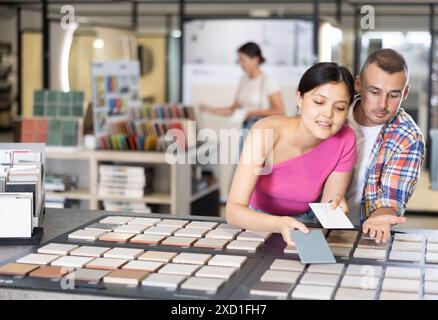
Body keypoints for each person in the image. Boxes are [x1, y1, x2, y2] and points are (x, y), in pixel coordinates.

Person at [225, 62, 357, 246]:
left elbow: (328, 206)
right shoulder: (266, 131)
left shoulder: (346, 139)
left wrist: (335, 207)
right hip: (257, 220)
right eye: (319, 102)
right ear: (300, 99)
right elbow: (233, 211)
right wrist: (279, 224)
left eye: (340, 108)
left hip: (307, 223)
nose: (328, 114)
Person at [346, 48, 426, 244]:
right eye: (374, 92)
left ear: (405, 93)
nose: (382, 104)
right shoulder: (331, 116)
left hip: (363, 233)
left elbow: (391, 198)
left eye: (393, 95)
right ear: (358, 84)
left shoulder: (409, 138)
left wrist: (379, 219)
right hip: (310, 225)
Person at [201, 42, 284, 129]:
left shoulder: (267, 81)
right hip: (246, 129)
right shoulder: (243, 80)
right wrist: (210, 110)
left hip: (262, 131)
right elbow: (233, 109)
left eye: (243, 60)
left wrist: (251, 113)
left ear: (255, 59)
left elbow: (280, 111)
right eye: (239, 60)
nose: (240, 64)